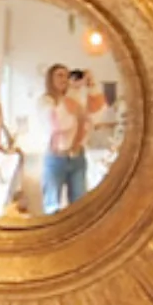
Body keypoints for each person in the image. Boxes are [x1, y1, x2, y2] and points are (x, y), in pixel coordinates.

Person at [38, 65, 105, 214]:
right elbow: (59, 123)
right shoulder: (45, 101)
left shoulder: (75, 98)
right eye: (59, 75)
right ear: (50, 79)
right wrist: (74, 94)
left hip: (77, 158)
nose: (64, 79)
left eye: (66, 75)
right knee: (52, 206)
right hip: (56, 159)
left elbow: (97, 114)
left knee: (79, 206)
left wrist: (92, 85)